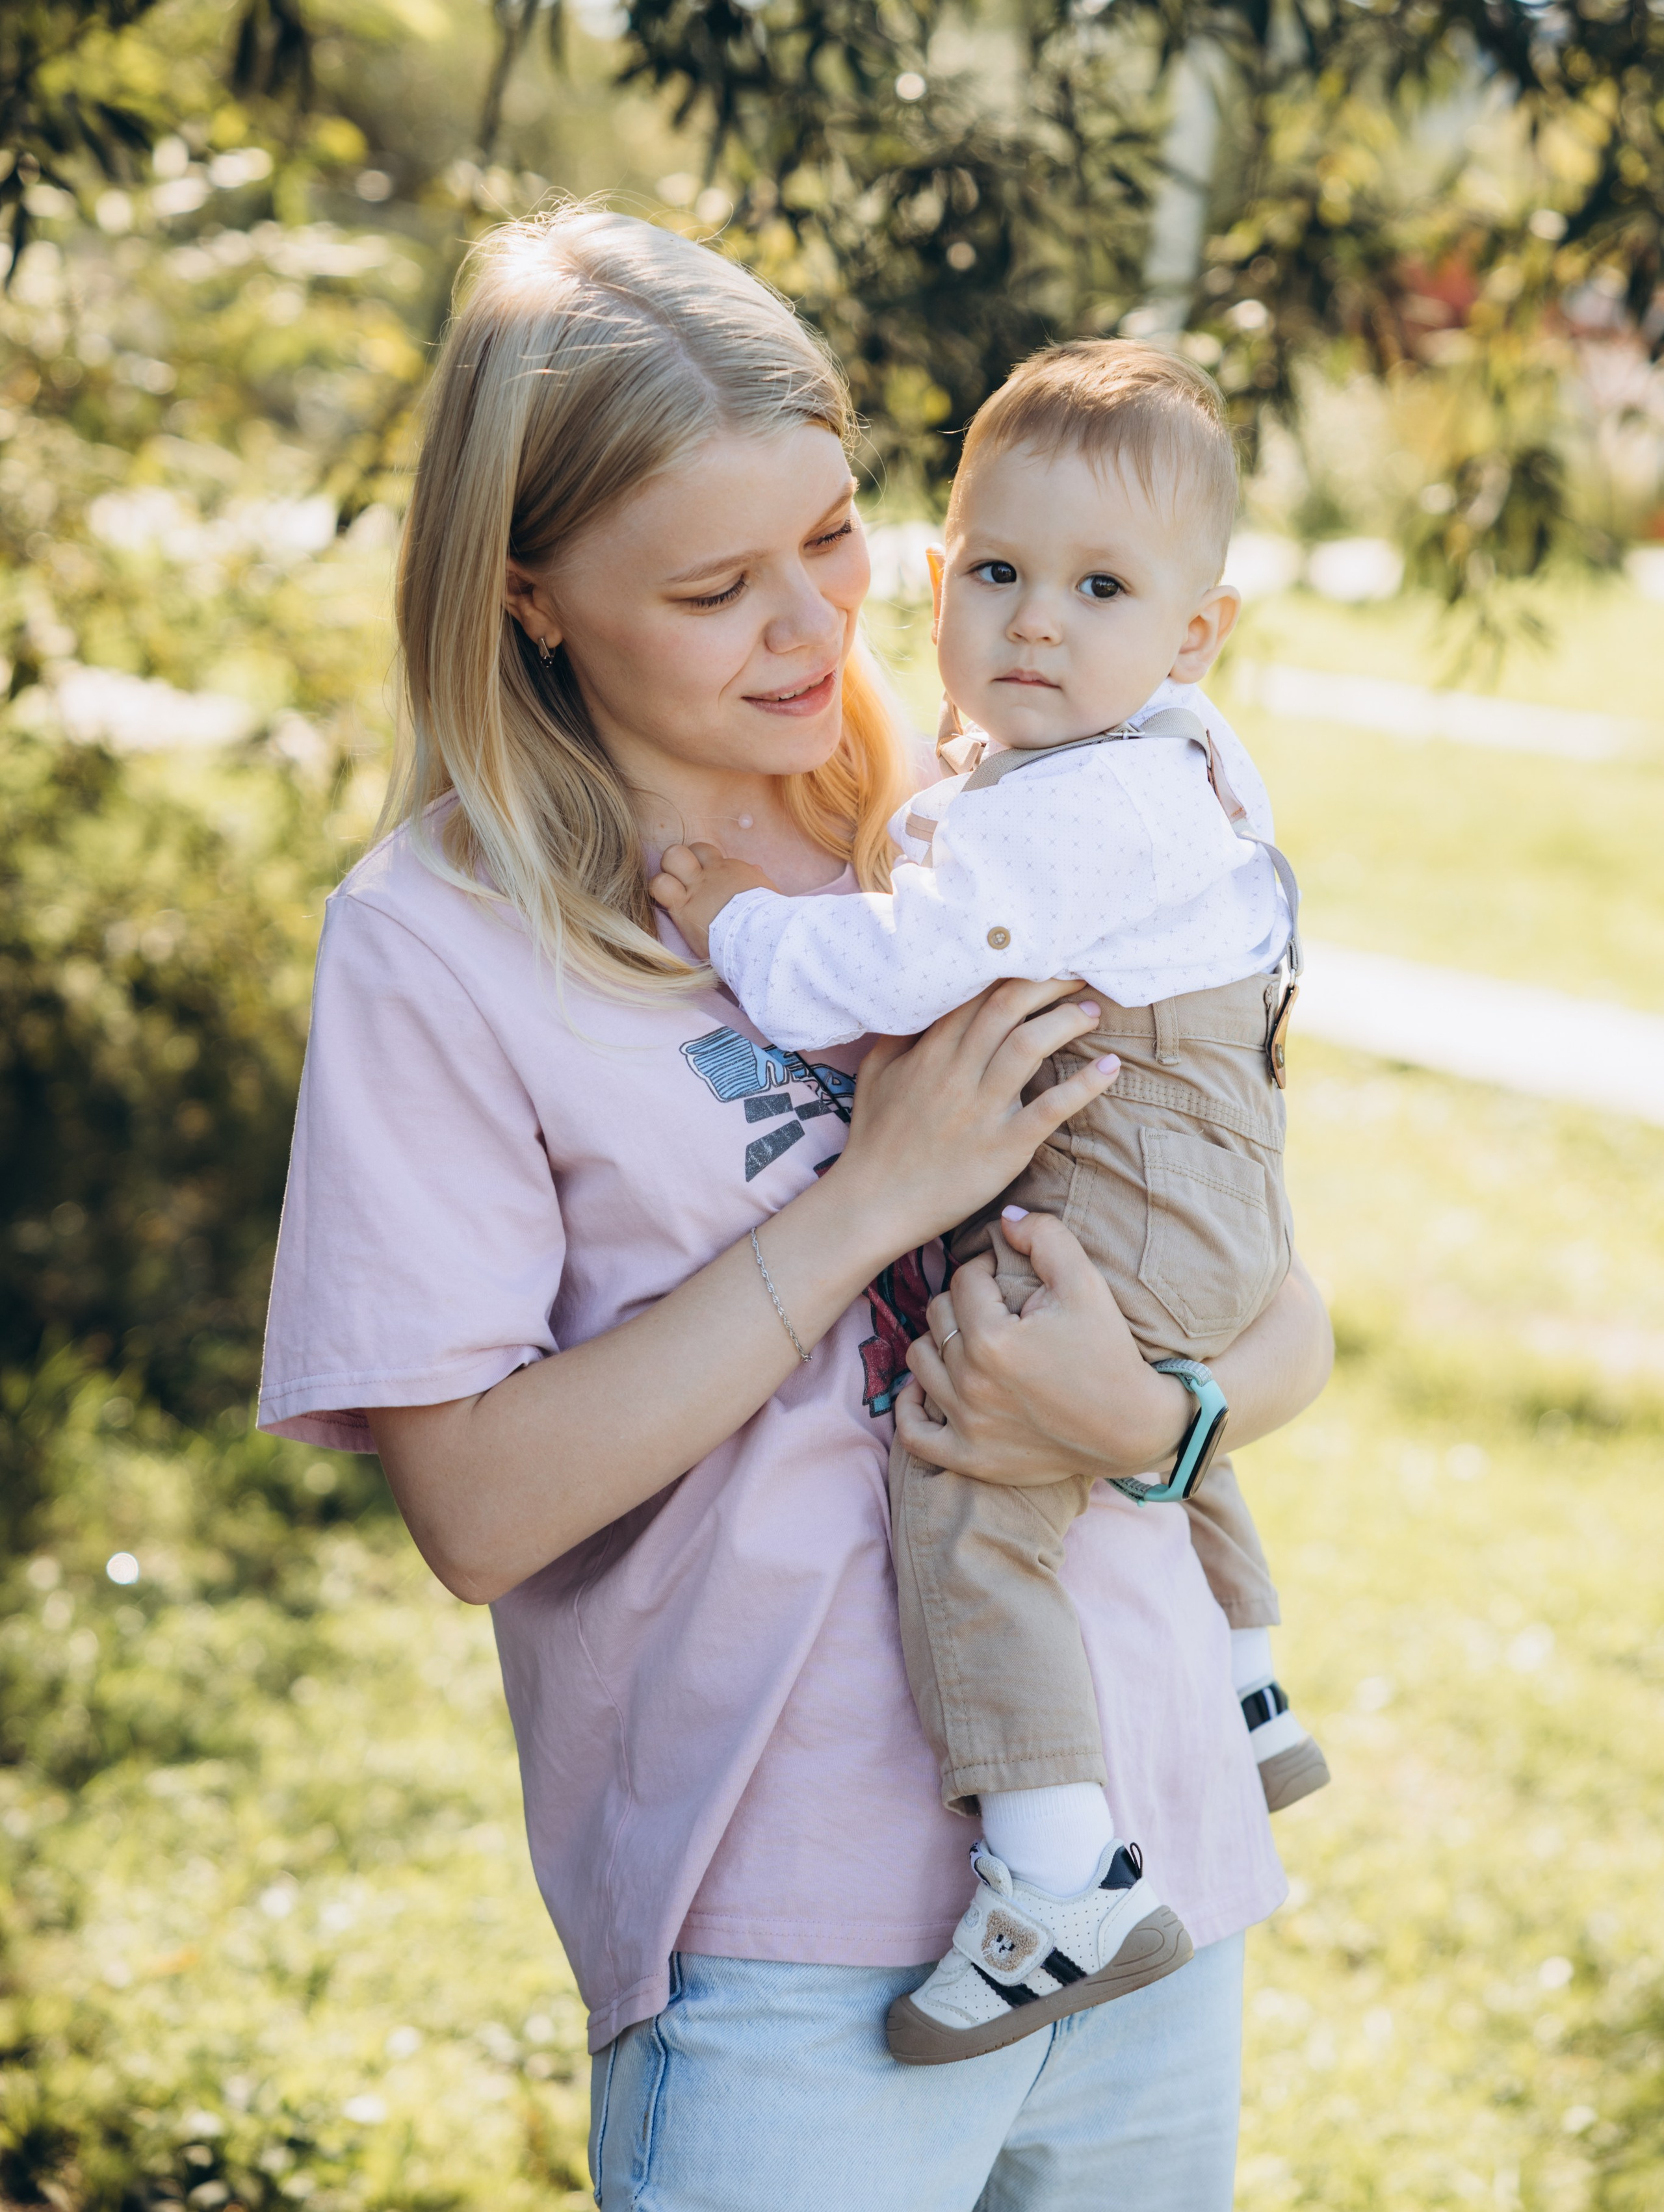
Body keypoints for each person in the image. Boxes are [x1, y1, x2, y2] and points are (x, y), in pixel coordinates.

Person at [257, 206, 1333, 2212]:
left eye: (834, 538)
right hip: (792, 1928)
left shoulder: (971, 800)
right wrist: (870, 1203)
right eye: (712, 587)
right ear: (533, 598)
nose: (810, 627)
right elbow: (475, 1511)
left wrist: (1156, 1423)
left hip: (1155, 1852)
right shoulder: (437, 942)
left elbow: (1283, 1307)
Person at [652, 340, 1329, 2068]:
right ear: (942, 584)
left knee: (970, 1476)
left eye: (1101, 589)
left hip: (1134, 1169)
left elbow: (883, 977)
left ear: (1194, 634)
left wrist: (733, 917)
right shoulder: (1162, 755)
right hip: (1203, 1168)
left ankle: (1058, 1871)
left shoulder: (1072, 811)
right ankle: (1246, 1681)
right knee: (1140, 1358)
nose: (1040, 623)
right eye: (1004, 576)